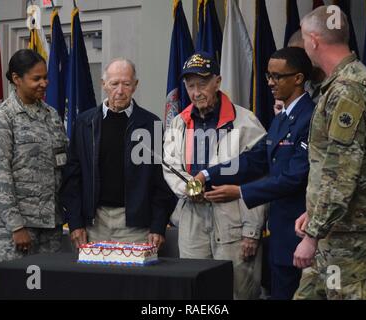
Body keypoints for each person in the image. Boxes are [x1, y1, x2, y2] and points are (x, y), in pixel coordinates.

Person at [194, 47, 315, 299]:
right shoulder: (283, 118)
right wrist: (208, 174)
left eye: (277, 76)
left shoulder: (310, 117)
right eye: (268, 76)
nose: (270, 83)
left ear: (298, 79)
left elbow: (294, 177)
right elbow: (255, 158)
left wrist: (240, 192)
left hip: (301, 232)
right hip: (281, 234)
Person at [292, 6, 366, 300]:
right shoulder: (339, 85)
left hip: (349, 237)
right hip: (332, 229)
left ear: (313, 40)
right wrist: (313, 211)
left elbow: (341, 172)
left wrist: (313, 234)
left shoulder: (350, 88)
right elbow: (330, 167)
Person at [163, 52, 267, 299]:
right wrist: (189, 189)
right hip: (193, 218)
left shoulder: (245, 121)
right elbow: (170, 166)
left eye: (202, 84)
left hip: (233, 218)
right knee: (195, 290)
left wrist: (252, 231)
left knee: (236, 290)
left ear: (217, 82)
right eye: (190, 86)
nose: (196, 92)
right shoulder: (179, 122)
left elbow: (260, 177)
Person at [62, 58, 174, 250]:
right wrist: (75, 222)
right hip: (93, 223)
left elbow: (160, 181)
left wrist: (158, 225)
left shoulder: (149, 124)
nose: (120, 91)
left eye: (126, 84)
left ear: (135, 85)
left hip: (136, 227)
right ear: (104, 85)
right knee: (95, 280)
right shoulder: (85, 123)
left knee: (133, 281)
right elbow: (72, 178)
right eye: (114, 84)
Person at [0, 49, 67, 271]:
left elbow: (62, 166)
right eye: (36, 78)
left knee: (48, 291)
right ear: (16, 79)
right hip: (14, 233)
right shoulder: (1, 118)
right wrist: (16, 227)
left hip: (50, 228)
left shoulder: (52, 115)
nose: (44, 83)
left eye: (45, 77)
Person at [288, 29, 326, 104]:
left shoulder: (339, 84)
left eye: (300, 56)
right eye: (293, 58)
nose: (296, 63)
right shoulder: (302, 86)